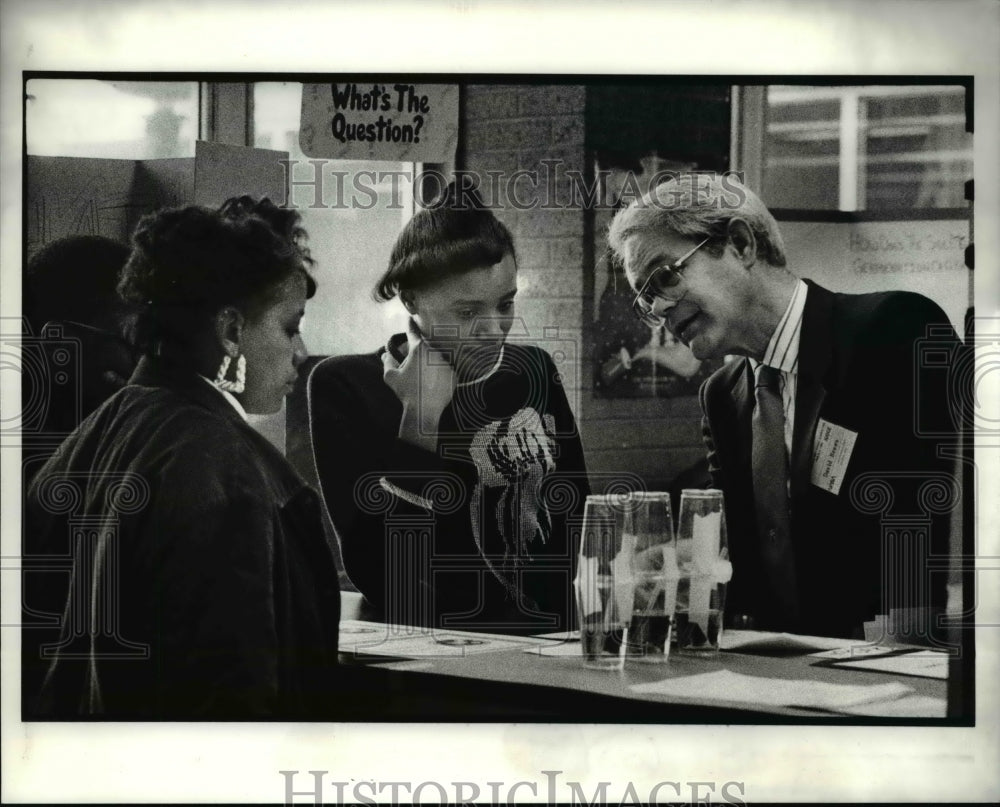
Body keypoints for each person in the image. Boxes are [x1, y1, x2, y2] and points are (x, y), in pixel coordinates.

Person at [23, 197, 341, 718]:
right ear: (231, 331)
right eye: (289, 326)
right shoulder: (223, 470)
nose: (301, 352)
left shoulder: (101, 430)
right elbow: (230, 702)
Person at [608, 173, 959, 640]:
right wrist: (683, 560)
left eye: (663, 277)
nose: (658, 310)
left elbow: (925, 535)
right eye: (644, 298)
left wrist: (896, 676)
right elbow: (746, 551)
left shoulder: (892, 328)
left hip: (891, 667)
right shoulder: (721, 396)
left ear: (740, 243)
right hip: (780, 668)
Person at [309, 185, 589, 634]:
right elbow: (385, 578)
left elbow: (580, 529)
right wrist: (420, 419)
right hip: (434, 658)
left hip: (554, 645)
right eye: (466, 311)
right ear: (411, 299)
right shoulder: (346, 385)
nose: (495, 329)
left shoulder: (531, 369)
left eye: (506, 303)